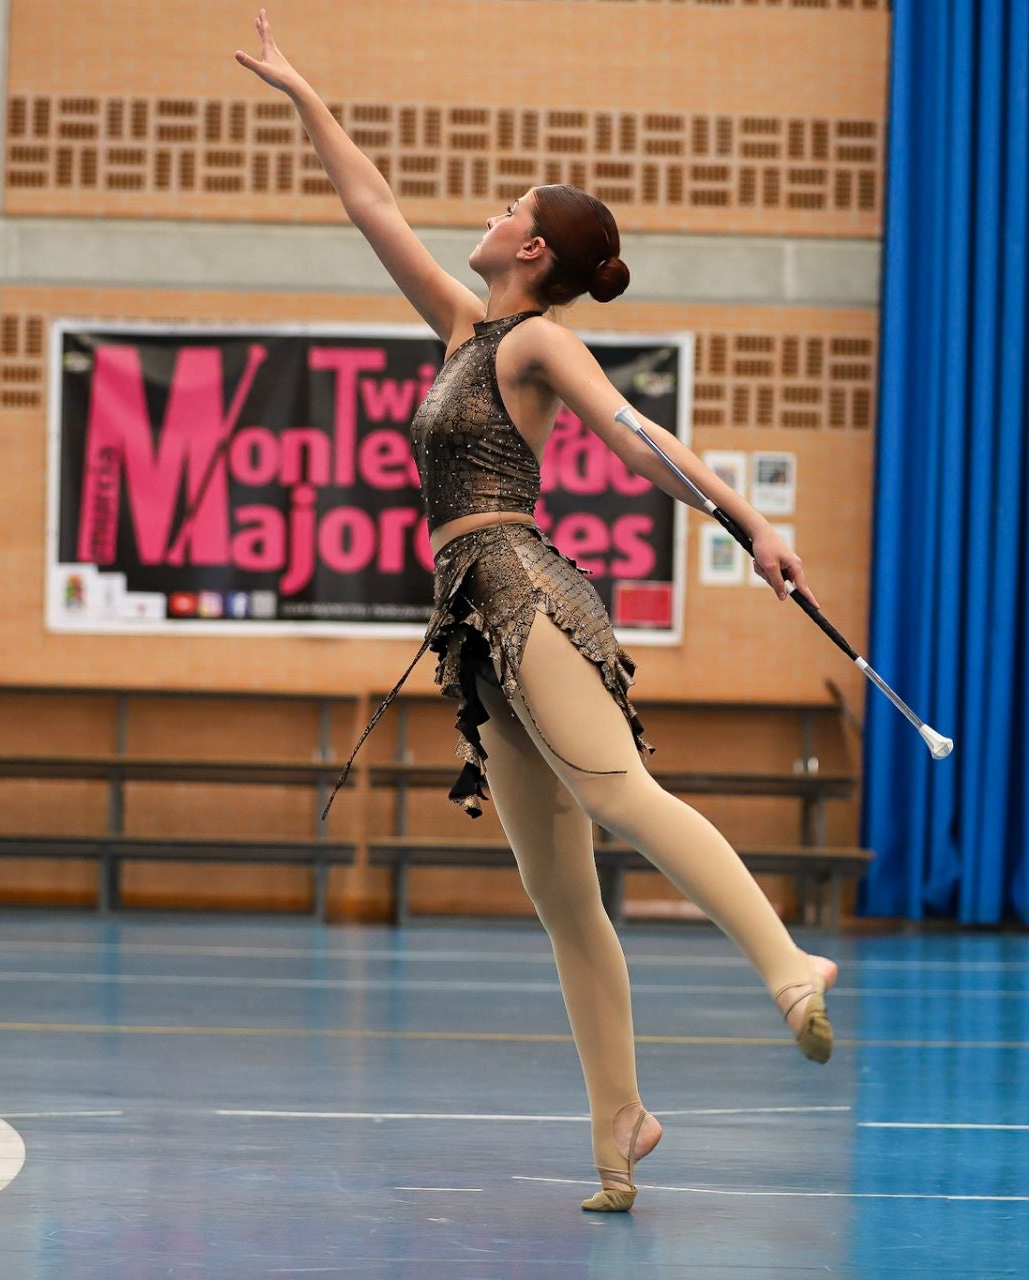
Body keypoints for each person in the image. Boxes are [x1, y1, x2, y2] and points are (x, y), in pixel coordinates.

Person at [236, 9, 839, 1213]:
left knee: (620, 794)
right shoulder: (468, 330)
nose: (495, 211)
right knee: (562, 895)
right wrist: (304, 95)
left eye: (514, 204)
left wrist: (749, 521)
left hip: (523, 593)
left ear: (535, 248)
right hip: (471, 620)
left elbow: (637, 435)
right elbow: (375, 211)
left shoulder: (543, 345)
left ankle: (787, 963)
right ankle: (620, 1129)